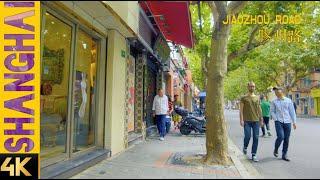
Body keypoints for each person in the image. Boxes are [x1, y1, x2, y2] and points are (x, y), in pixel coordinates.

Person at [270, 86, 297, 162]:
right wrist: (276, 119)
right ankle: (276, 149)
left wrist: (294, 122)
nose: (276, 92)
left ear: (281, 91)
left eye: (277, 90)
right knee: (281, 136)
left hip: (287, 122)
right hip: (279, 122)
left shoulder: (288, 101)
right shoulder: (274, 101)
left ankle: (284, 154)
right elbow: (272, 111)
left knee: (286, 139)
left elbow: (292, 112)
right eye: (275, 91)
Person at [240, 81, 263, 162]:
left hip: (256, 120)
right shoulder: (244, 98)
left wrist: (261, 119)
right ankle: (245, 146)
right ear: (248, 87)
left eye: (253, 86)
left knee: (256, 138)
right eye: (250, 86)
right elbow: (241, 110)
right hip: (247, 121)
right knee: (248, 136)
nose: (252, 88)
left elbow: (259, 108)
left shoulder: (257, 97)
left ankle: (254, 154)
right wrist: (241, 120)